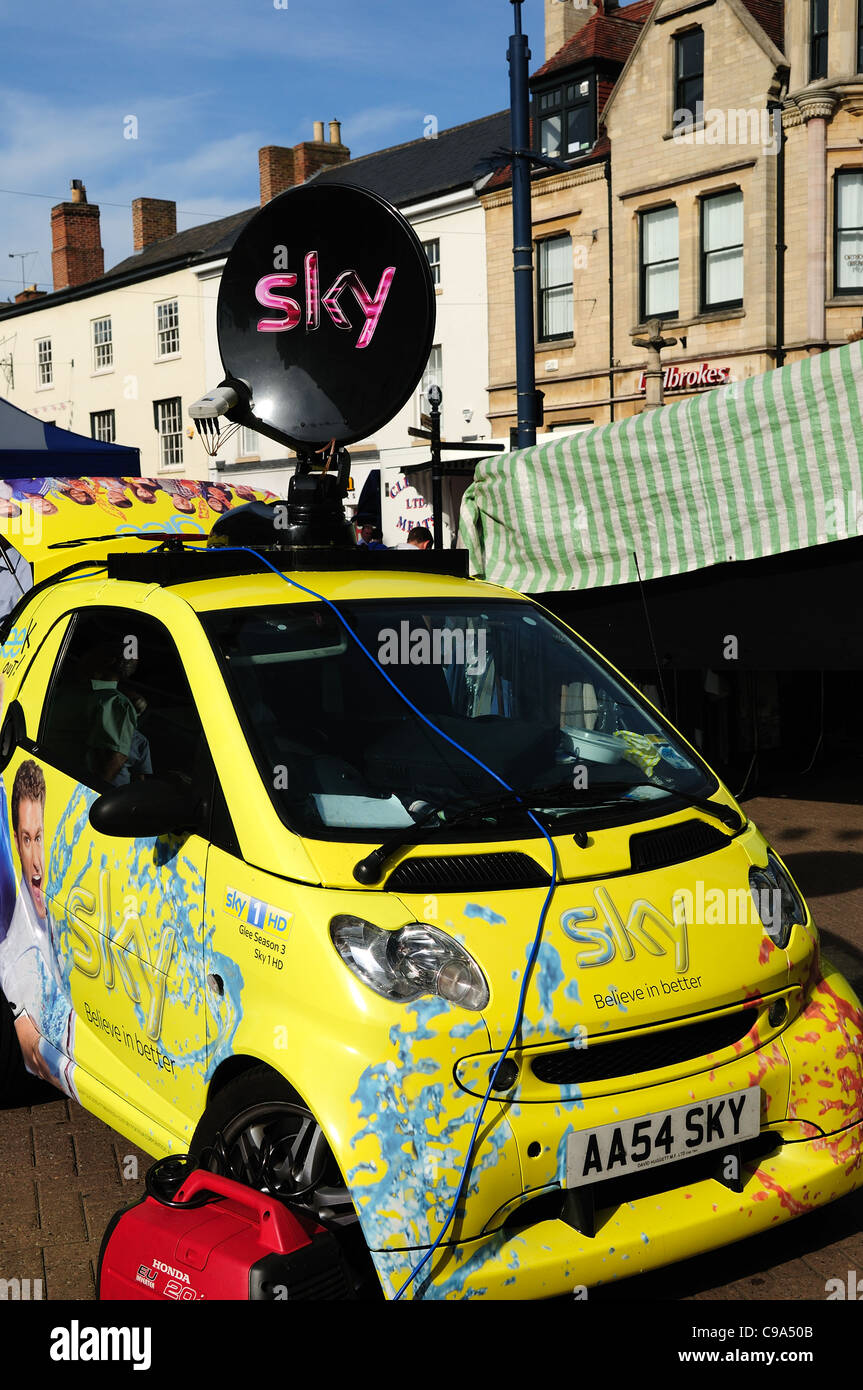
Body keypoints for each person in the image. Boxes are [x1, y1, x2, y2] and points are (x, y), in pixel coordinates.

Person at [0, 760, 76, 1096]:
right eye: (27, 840)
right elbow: (36, 1052)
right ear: (15, 841)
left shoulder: (68, 892)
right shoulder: (16, 948)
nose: (37, 860)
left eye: (40, 837)